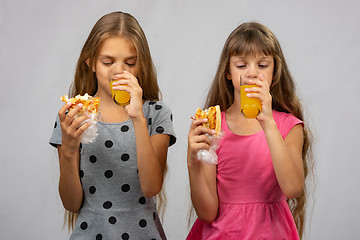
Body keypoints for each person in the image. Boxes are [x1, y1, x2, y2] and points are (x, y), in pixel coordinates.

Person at [49, 11, 176, 240]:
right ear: (91, 63)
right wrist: (68, 150)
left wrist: (137, 118)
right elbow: (71, 203)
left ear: (141, 66)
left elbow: (151, 187)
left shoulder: (156, 114)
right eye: (108, 62)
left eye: (130, 63)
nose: (119, 71)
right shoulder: (74, 115)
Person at [186, 22, 313, 239]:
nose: (252, 73)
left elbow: (292, 188)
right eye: (241, 65)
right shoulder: (212, 126)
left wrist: (268, 123)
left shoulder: (288, 126)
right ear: (228, 71)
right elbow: (207, 213)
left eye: (262, 65)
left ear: (275, 73)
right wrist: (192, 161)